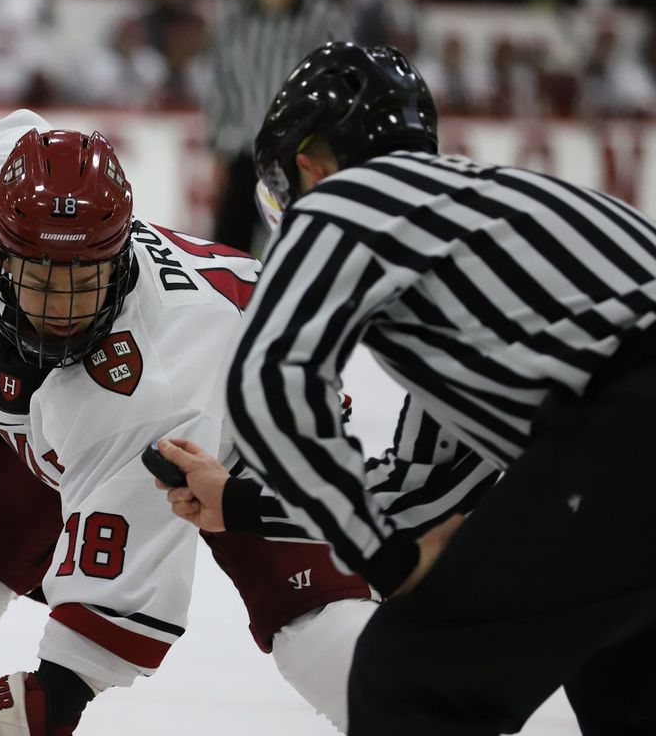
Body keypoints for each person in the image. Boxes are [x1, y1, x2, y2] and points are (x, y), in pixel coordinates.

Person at [0, 109, 378, 736]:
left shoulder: (147, 390)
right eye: (39, 277)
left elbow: (84, 659)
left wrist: (27, 709)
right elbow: (21, 141)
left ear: (119, 258)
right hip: (78, 425)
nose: (61, 306)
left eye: (84, 276)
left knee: (321, 637)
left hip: (259, 423)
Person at [163, 41, 656, 734]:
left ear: (309, 163)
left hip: (627, 430)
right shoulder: (489, 244)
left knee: (405, 678)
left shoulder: (350, 197)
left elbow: (271, 377)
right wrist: (241, 503)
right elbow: (432, 485)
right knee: (614, 670)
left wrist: (385, 559)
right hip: (624, 449)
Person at [205, 0, 349, 258]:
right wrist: (218, 150)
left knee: (301, 254)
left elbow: (340, 84)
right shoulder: (233, 16)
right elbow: (219, 85)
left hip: (300, 158)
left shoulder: (323, 17)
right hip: (243, 152)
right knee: (227, 256)